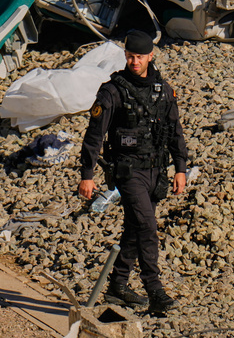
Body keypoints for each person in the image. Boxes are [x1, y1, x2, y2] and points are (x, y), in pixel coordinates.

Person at [78, 29, 189, 314]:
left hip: (155, 172)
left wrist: (180, 168)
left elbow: (176, 131)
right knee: (147, 227)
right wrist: (87, 175)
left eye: (139, 57)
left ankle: (118, 286)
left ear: (150, 56)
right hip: (128, 173)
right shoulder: (113, 91)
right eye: (129, 56)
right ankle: (154, 289)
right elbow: (94, 136)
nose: (134, 61)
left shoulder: (163, 90)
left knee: (134, 229)